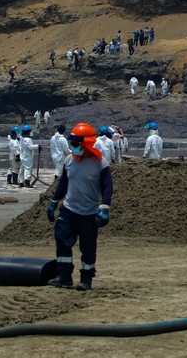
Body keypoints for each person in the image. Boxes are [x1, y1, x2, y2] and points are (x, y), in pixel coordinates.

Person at [46, 123, 113, 291]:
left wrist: (104, 207)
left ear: (86, 144)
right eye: (72, 143)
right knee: (62, 239)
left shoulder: (100, 163)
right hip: (69, 210)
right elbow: (63, 183)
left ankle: (86, 279)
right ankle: (64, 277)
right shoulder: (70, 160)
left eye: (76, 143)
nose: (73, 146)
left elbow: (107, 187)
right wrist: (54, 202)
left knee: (88, 247)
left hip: (89, 213)